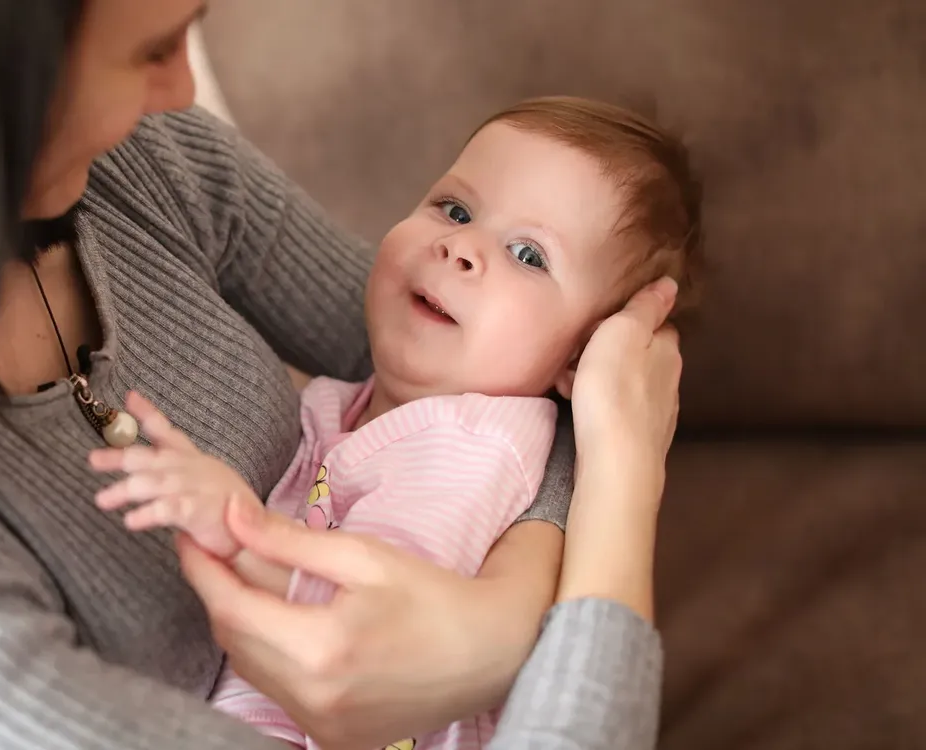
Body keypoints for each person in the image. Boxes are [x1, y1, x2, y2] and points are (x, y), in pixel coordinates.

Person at [0, 1, 682, 749]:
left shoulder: (131, 163)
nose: (183, 91)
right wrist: (615, 487)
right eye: (151, 49)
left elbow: (485, 397)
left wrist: (499, 622)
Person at [89, 96, 701, 750]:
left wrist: (236, 528)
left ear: (581, 357)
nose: (461, 247)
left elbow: (368, 616)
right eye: (455, 209)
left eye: (528, 254)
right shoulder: (344, 405)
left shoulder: (473, 446)